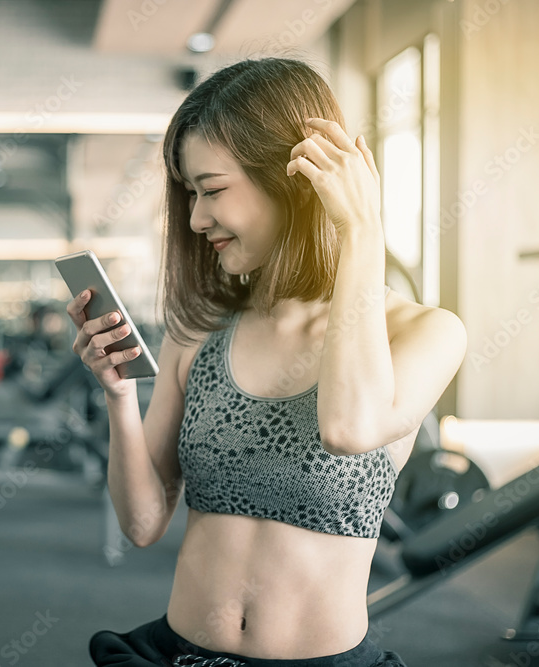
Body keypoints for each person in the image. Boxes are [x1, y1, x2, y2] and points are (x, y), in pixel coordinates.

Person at [67, 57, 467, 667]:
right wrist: (119, 397)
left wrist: (359, 228)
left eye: (212, 190)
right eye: (190, 195)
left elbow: (349, 428)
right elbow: (143, 524)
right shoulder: (200, 331)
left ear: (294, 180)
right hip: (179, 653)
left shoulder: (425, 333)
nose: (197, 219)